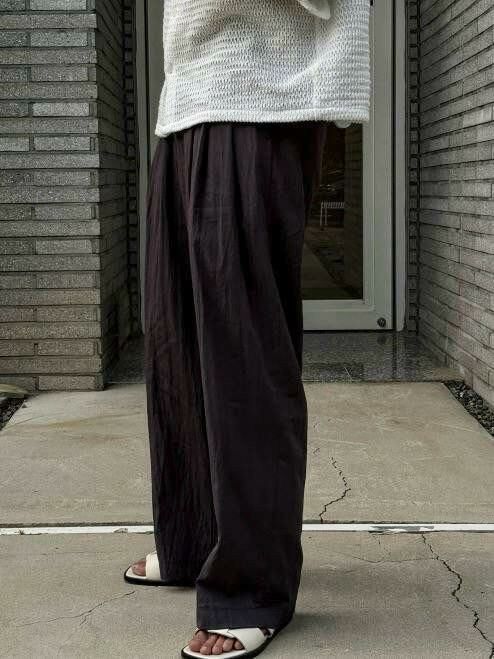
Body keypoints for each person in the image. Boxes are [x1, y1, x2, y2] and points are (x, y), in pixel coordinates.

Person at [124, 1, 371, 656]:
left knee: (243, 352)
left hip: (259, 94)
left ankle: (252, 584)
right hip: (187, 102)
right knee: (174, 341)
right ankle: (194, 540)